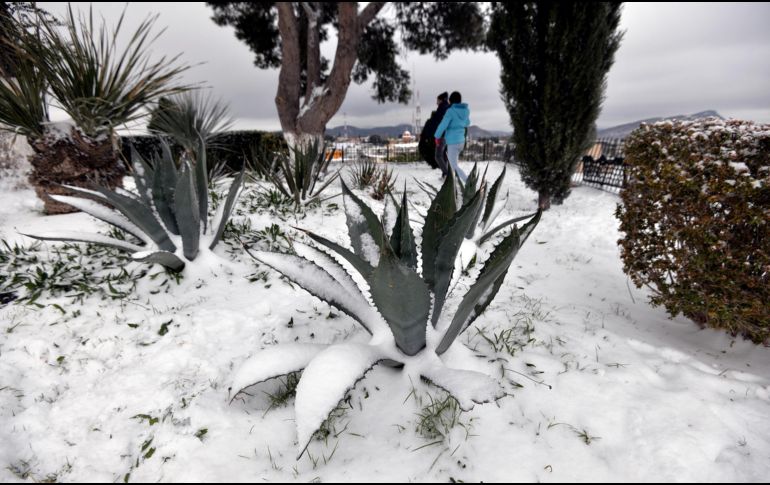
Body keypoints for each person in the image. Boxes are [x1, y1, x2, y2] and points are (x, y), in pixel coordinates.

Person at [434, 91, 470, 183]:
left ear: (451, 101)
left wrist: (437, 136)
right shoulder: (466, 111)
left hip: (453, 142)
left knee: (453, 166)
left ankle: (468, 182)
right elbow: (467, 123)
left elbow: (443, 125)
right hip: (461, 141)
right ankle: (453, 182)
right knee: (454, 164)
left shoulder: (450, 111)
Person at [418, 92, 450, 176]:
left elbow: (436, 123)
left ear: (441, 100)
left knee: (438, 156)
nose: (436, 102)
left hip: (442, 135)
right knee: (444, 155)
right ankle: (445, 174)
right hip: (447, 135)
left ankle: (446, 174)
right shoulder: (446, 108)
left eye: (438, 100)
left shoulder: (442, 109)